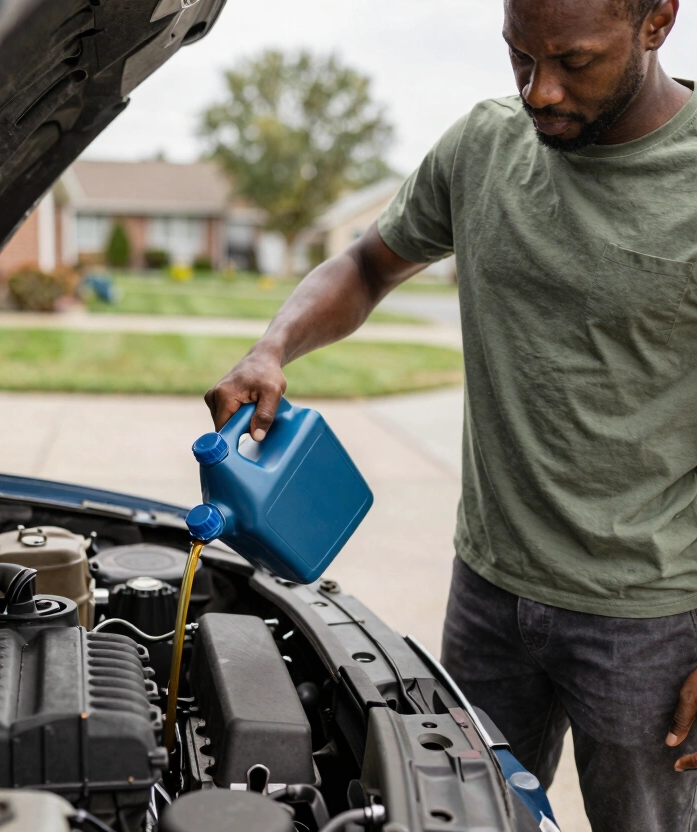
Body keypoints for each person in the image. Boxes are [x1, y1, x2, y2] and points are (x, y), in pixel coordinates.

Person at [204, 0, 697, 828]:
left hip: (648, 621)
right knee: (461, 816)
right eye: (519, 57)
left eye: (573, 62)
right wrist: (272, 347)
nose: (539, 91)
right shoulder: (484, 145)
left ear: (657, 22)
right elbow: (367, 263)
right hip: (489, 593)